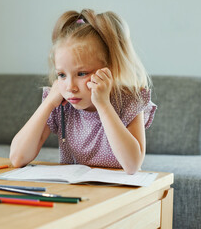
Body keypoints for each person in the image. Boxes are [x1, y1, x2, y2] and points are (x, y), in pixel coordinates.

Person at [10, 9, 156, 174]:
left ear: (110, 68)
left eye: (81, 74)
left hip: (119, 195)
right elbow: (17, 158)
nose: (70, 87)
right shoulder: (61, 105)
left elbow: (132, 165)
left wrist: (103, 105)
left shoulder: (130, 101)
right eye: (62, 75)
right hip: (76, 192)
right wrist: (49, 103)